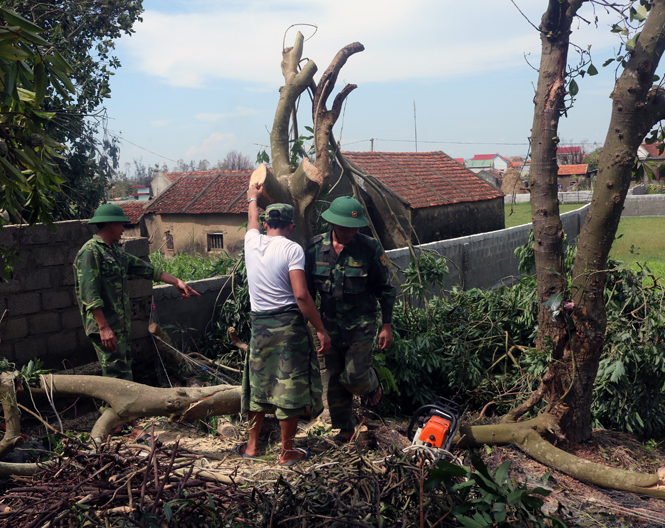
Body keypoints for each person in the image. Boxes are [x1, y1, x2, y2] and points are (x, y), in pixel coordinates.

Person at [239, 183, 331, 466]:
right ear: (291, 226)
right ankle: (286, 451)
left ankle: (253, 446)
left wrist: (252, 196)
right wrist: (320, 329)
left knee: (258, 383)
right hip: (288, 325)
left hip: (259, 325)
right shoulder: (292, 250)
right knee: (287, 387)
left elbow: (252, 218)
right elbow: (301, 294)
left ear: (267, 223)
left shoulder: (250, 241)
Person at [305, 196, 396, 445]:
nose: (350, 232)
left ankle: (371, 381)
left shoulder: (369, 249)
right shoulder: (314, 249)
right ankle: (345, 429)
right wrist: (313, 327)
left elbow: (386, 289)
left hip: (361, 325)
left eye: (355, 228)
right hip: (328, 327)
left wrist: (386, 325)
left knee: (354, 377)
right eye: (345, 227)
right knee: (335, 378)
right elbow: (307, 292)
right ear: (333, 223)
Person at [74, 203, 200, 382]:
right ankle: (117, 409)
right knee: (116, 375)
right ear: (111, 224)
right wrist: (103, 328)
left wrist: (176, 282)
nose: (124, 229)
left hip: (118, 326)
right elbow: (90, 295)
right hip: (106, 326)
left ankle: (121, 409)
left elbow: (145, 268)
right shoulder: (91, 252)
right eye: (121, 224)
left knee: (123, 372)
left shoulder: (113, 251)